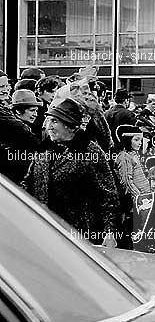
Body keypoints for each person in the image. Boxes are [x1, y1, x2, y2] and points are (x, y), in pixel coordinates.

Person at [24, 98, 119, 245]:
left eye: (55, 121)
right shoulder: (44, 149)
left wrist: (110, 231)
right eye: (49, 121)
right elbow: (28, 183)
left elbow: (107, 195)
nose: (49, 126)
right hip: (44, 231)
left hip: (79, 235)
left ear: (70, 126)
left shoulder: (89, 151)